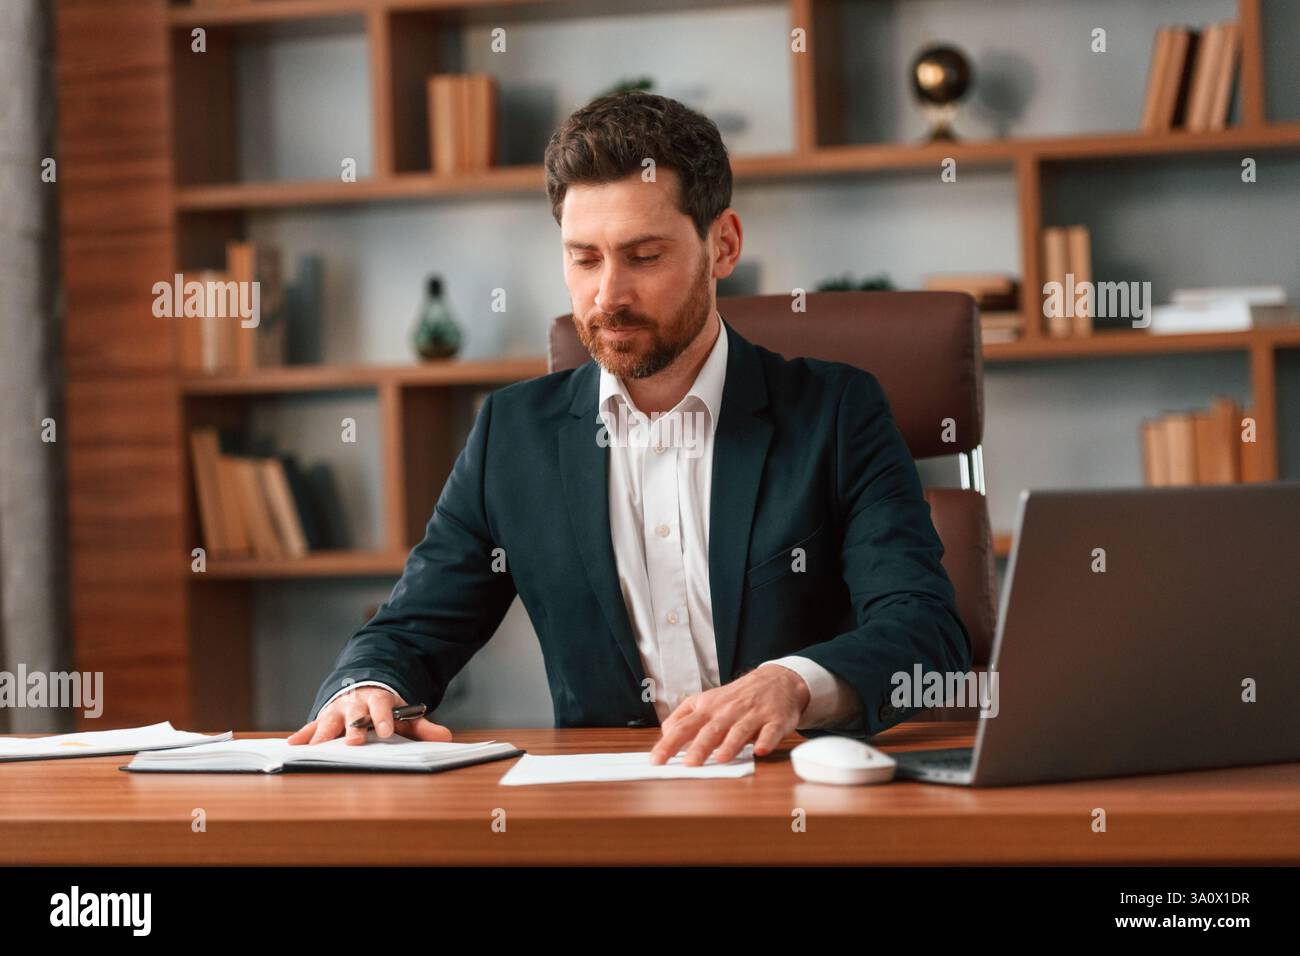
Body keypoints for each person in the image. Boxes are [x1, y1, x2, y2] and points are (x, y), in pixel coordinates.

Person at [289, 91, 971, 766]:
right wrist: (366, 689)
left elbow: (924, 630)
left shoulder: (836, 413)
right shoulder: (513, 434)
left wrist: (793, 683)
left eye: (644, 256)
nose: (608, 296)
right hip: (606, 807)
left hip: (793, 792)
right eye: (584, 259)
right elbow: (411, 630)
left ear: (723, 245)